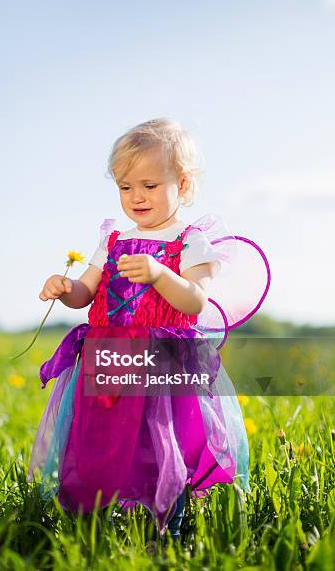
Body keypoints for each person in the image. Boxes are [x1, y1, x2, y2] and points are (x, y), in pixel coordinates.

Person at [27, 118, 271, 543]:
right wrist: (65, 290)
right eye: (125, 187)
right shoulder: (115, 239)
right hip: (111, 360)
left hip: (163, 360)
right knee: (102, 444)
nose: (136, 197)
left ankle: (166, 527)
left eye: (149, 185)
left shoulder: (189, 241)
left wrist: (160, 274)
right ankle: (96, 525)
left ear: (183, 183)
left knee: (164, 446)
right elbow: (87, 292)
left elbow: (195, 302)